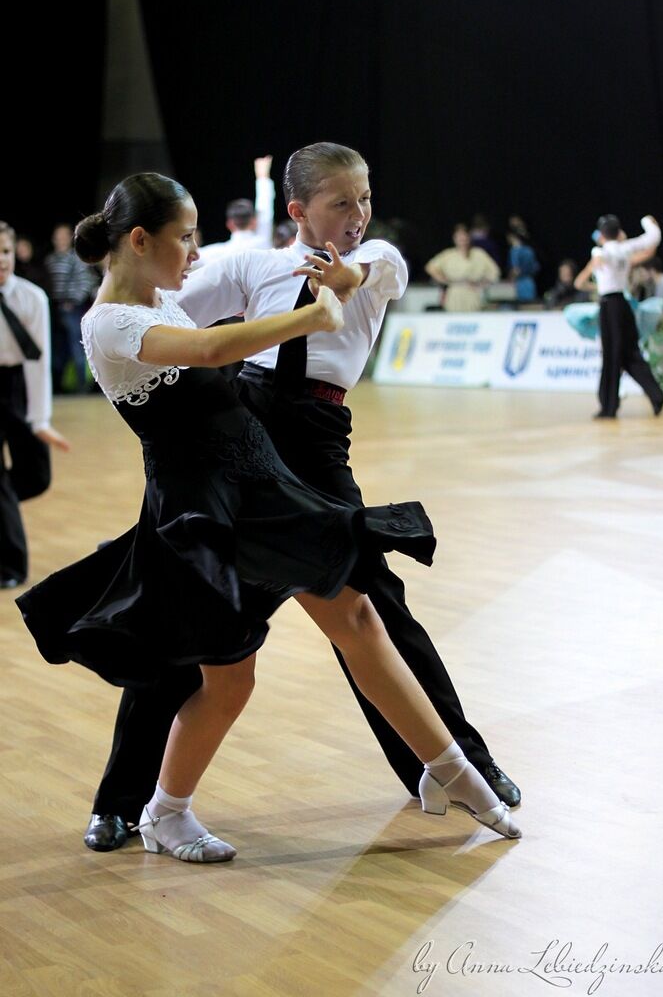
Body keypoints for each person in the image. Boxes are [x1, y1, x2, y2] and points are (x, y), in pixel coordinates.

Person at [16, 172, 521, 864]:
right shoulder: (186, 290)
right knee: (200, 662)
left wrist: (341, 282)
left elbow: (374, 267)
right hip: (214, 485)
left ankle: (454, 767)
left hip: (290, 459)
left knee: (364, 611)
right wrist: (310, 313)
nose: (356, 213)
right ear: (297, 209)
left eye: (363, 200)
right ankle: (130, 804)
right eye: (340, 201)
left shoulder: (376, 255)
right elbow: (204, 344)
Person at [0, 221, 70, 589]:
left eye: (6, 251)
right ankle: (11, 567)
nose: (1, 260)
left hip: (19, 385)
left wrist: (40, 418)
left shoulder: (32, 298)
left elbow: (38, 362)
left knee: (36, 478)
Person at [574, 214, 663, 419]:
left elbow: (597, 258)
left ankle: (609, 405)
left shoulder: (602, 250)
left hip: (610, 306)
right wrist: (648, 222)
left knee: (612, 355)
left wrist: (598, 256)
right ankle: (655, 396)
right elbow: (652, 240)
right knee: (629, 353)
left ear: (602, 234)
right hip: (622, 306)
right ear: (618, 232)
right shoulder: (625, 249)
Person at [44, 223, 100, 392]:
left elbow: (86, 282)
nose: (60, 240)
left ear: (70, 238)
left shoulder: (76, 258)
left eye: (63, 236)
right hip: (54, 309)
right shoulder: (50, 260)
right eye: (57, 237)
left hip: (73, 309)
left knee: (77, 347)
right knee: (58, 348)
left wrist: (72, 300)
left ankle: (82, 385)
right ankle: (58, 385)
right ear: (54, 239)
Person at [196, 155, 275, 266]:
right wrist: (262, 176)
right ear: (254, 221)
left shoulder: (216, 253)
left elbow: (190, 257)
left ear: (229, 224)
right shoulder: (262, 241)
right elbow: (265, 207)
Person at [425, 223, 500, 312]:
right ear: (454, 238)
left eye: (464, 236)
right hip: (454, 293)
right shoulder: (449, 254)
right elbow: (430, 267)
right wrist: (445, 280)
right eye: (459, 236)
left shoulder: (478, 254)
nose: (462, 239)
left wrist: (481, 284)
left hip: (473, 292)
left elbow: (495, 272)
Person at [506, 229, 540, 302]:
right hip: (529, 283)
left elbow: (515, 270)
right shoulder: (529, 250)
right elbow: (536, 267)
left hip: (520, 284)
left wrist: (511, 278)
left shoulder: (515, 251)